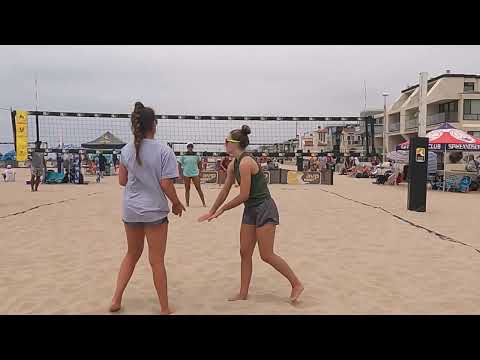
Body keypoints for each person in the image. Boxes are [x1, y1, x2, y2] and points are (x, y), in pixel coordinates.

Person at [198, 125, 304, 303]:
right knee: (244, 252)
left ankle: (296, 284)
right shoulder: (234, 163)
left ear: (236, 144)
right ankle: (243, 293)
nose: (224, 144)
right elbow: (225, 189)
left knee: (266, 255)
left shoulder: (246, 163)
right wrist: (212, 210)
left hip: (264, 207)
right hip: (250, 209)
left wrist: (223, 210)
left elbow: (244, 194)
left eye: (227, 141)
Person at [110, 102, 185, 315]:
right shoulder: (164, 150)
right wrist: (177, 203)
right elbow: (166, 184)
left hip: (131, 209)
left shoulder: (126, 149)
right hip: (154, 211)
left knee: (131, 254)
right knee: (157, 260)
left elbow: (122, 181)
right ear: (154, 124)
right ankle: (164, 307)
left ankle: (116, 299)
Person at [178, 143, 206, 207]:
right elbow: (179, 164)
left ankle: (204, 203)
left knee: (198, 188)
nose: (190, 147)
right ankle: (187, 204)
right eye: (189, 146)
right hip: (186, 174)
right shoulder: (183, 155)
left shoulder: (196, 155)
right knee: (187, 189)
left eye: (191, 146)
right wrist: (180, 174)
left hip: (195, 173)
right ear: (187, 147)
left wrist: (201, 172)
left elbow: (199, 163)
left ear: (192, 147)